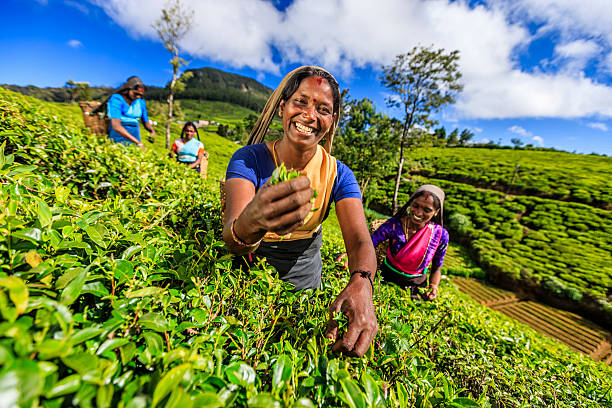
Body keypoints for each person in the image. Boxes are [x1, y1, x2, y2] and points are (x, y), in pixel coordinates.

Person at [223, 66, 378, 357]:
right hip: (248, 263)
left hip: (304, 268)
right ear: (283, 108)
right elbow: (233, 238)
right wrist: (253, 221)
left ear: (331, 122)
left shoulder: (338, 175)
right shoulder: (249, 160)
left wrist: (362, 282)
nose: (309, 115)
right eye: (300, 102)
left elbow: (359, 240)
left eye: (323, 109)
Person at [371, 185, 449, 301]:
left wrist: (433, 287)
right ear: (410, 203)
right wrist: (350, 255)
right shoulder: (393, 225)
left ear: (436, 212)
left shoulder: (440, 236)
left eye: (427, 210)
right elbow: (369, 244)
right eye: (415, 206)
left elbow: (436, 268)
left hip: (414, 290)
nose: (418, 212)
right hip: (384, 280)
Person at [107, 76, 155, 148]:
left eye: (140, 95)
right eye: (136, 94)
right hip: (119, 134)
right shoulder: (117, 99)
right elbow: (116, 126)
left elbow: (145, 120)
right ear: (128, 90)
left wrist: (152, 131)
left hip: (134, 133)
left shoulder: (140, 102)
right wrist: (138, 142)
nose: (138, 97)